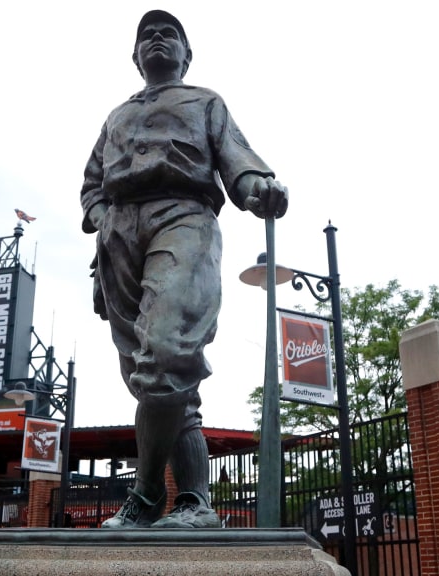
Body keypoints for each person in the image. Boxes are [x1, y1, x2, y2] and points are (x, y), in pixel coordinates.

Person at [80, 10, 288, 529]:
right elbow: (90, 185)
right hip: (120, 233)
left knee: (167, 352)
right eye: (146, 34)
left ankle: (146, 495)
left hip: (183, 215)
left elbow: (235, 156)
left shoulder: (205, 101)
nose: (155, 38)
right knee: (152, 378)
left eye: (167, 33)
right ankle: (195, 502)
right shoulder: (115, 116)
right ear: (135, 57)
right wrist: (103, 222)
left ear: (185, 54)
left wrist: (257, 186)